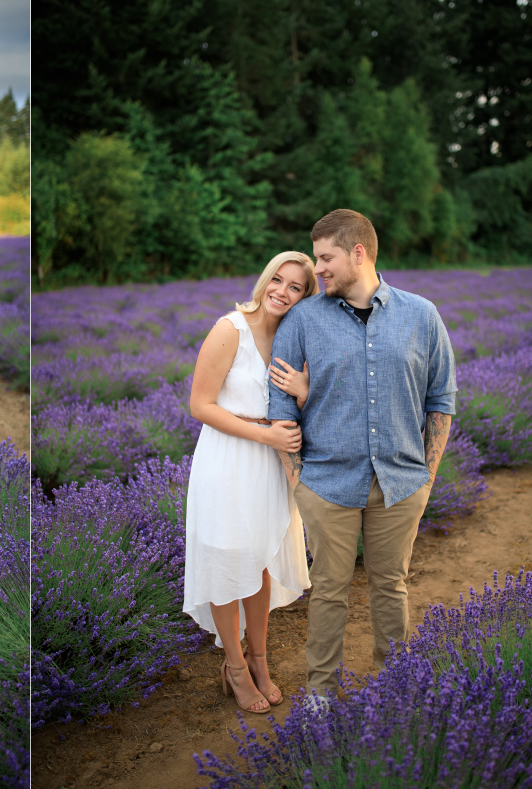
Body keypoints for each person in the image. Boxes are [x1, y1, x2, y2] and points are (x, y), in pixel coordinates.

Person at [268, 209, 456, 699]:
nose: (319, 269)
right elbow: (279, 404)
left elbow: (441, 401)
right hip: (327, 484)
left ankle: (394, 687)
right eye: (316, 258)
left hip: (400, 482)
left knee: (390, 587)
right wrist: (298, 481)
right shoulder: (305, 318)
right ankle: (320, 693)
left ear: (358, 253)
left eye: (326, 257)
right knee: (328, 592)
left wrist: (427, 478)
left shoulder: (422, 315)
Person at [182, 251, 317, 714]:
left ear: (305, 296)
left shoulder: (292, 336)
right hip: (228, 458)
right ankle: (234, 667)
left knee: (258, 561)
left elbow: (313, 403)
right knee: (226, 561)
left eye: (295, 286)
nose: (282, 291)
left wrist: (305, 391)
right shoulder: (229, 329)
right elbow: (200, 405)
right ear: (265, 280)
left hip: (270, 464)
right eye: (277, 280)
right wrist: (265, 433)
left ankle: (259, 660)